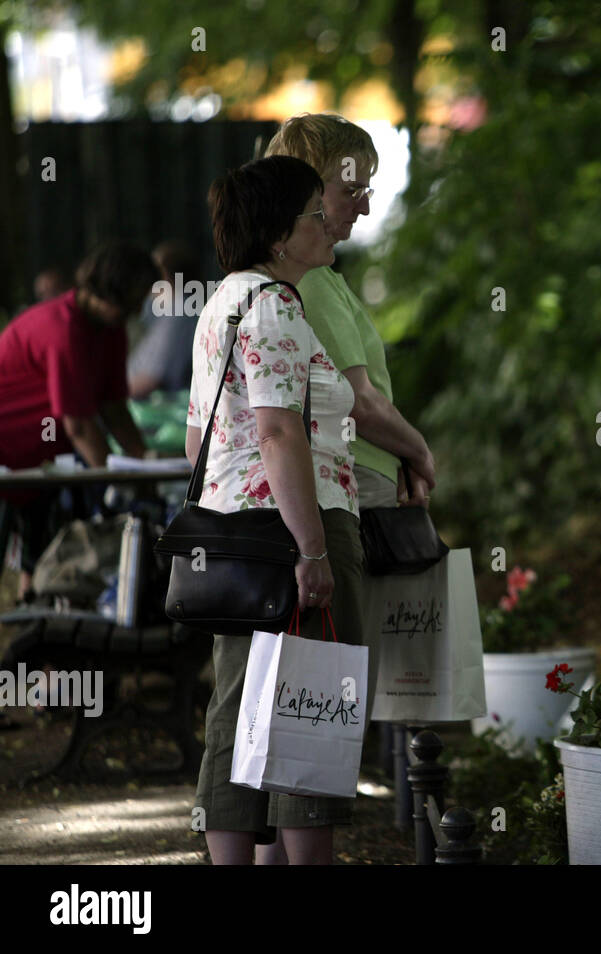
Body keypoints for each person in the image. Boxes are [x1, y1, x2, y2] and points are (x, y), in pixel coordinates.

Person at [187, 154, 362, 866]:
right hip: (292, 528)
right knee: (307, 705)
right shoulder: (277, 306)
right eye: (314, 216)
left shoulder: (222, 301)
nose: (329, 226)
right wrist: (312, 549)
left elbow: (200, 437)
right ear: (280, 236)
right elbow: (278, 429)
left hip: (231, 535)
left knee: (238, 705)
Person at [263, 114, 437, 718]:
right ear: (306, 193)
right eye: (350, 190)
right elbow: (360, 404)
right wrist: (418, 450)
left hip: (351, 479)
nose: (363, 206)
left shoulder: (317, 277)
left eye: (367, 188)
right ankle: (337, 799)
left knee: (353, 668)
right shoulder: (306, 282)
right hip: (347, 486)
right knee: (348, 670)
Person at [0, 242, 155, 600]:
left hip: (42, 469)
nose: (134, 311)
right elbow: (79, 424)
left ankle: (42, 643)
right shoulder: (62, 328)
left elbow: (115, 409)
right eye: (130, 300)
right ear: (107, 290)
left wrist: (144, 468)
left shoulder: (109, 330)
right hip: (10, 463)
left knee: (43, 572)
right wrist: (120, 485)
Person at [129, 240, 202, 398]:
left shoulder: (180, 311)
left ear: (165, 276)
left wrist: (108, 396)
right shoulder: (167, 309)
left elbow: (152, 379)